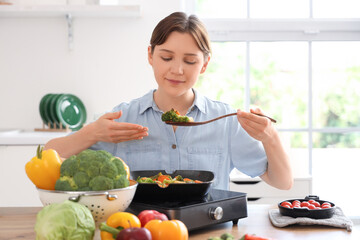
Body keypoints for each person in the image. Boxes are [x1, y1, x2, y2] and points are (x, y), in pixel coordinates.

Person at [45, 12, 293, 190]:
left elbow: (282, 182)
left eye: (189, 61)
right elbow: (47, 155)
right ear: (150, 55)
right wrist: (92, 132)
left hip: (209, 229)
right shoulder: (124, 117)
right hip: (142, 230)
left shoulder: (225, 120)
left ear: (204, 64)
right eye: (166, 57)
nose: (177, 70)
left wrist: (270, 136)